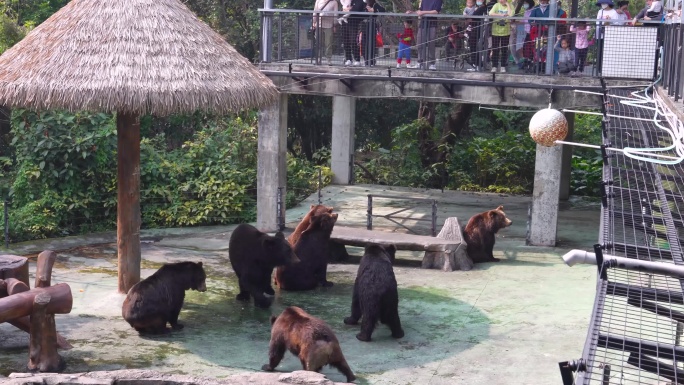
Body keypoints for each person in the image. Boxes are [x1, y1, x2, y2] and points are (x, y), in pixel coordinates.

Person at [407, 0, 443, 70]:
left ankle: (432, 63)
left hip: (432, 24)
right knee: (419, 42)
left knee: (431, 43)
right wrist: (412, 12)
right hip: (423, 23)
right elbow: (420, 10)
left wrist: (423, 12)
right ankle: (420, 62)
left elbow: (436, 12)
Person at [489, 0, 513, 72]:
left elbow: (510, 14)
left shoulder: (511, 5)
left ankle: (503, 66)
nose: (501, 1)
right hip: (495, 31)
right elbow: (490, 13)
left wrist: (507, 5)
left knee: (504, 50)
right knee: (495, 49)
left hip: (506, 32)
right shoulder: (496, 5)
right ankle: (494, 66)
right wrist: (501, 15)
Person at [596, 0, 619, 73]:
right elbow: (597, 22)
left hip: (609, 36)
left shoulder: (613, 12)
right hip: (600, 34)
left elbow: (617, 23)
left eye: (604, 3)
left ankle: (606, 69)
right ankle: (599, 69)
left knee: (606, 52)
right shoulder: (600, 11)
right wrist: (603, 22)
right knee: (599, 52)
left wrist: (609, 21)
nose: (603, 5)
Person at [313, 0, 340, 66]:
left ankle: (328, 59)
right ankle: (318, 59)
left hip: (329, 25)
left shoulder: (334, 2)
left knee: (328, 43)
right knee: (318, 42)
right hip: (319, 24)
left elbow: (335, 14)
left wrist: (334, 25)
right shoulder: (318, 1)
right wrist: (313, 22)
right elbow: (315, 12)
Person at [362, 0, 385, 66]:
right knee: (364, 44)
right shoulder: (364, 5)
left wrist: (373, 10)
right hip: (364, 27)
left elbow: (382, 10)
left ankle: (371, 60)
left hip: (372, 26)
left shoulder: (375, 4)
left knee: (371, 44)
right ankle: (366, 60)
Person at [342, 0, 365, 66]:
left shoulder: (359, 1)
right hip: (345, 22)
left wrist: (349, 10)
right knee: (345, 41)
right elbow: (342, 10)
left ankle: (357, 59)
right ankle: (348, 58)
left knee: (353, 41)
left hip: (354, 23)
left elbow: (356, 9)